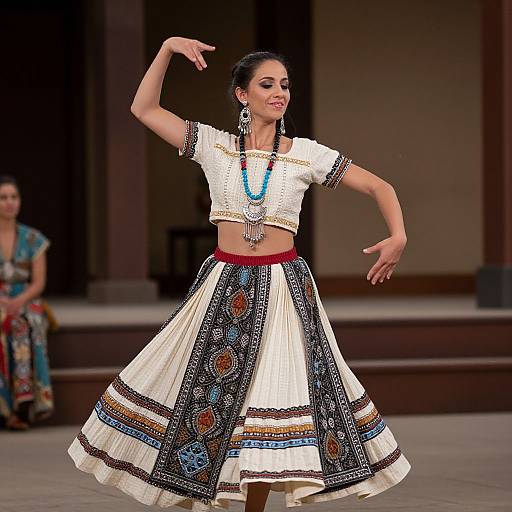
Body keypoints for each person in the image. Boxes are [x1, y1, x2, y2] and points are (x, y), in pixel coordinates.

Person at [68, 37, 411, 511]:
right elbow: (144, 108)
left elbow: (380, 185)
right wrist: (167, 50)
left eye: (285, 85)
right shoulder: (214, 145)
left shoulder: (305, 154)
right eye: (267, 84)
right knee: (207, 399)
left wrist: (398, 235)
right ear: (241, 94)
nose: (279, 93)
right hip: (225, 285)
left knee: (267, 405)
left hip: (283, 288)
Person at [0, 175, 53, 430]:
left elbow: (38, 283)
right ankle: (4, 407)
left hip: (25, 297)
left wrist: (17, 300)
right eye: (3, 198)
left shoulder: (34, 239)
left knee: (24, 322)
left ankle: (23, 406)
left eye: (14, 197)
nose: (9, 203)